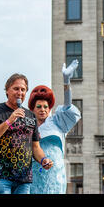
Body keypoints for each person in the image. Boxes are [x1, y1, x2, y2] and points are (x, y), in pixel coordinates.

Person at [0, 73, 53, 194]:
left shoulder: (31, 116)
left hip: (24, 179)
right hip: (0, 177)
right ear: (7, 90)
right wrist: (9, 121)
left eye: (23, 89)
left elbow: (35, 147)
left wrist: (44, 160)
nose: (19, 92)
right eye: (16, 88)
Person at [29, 60, 81, 194]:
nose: (43, 110)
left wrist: (66, 81)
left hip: (55, 174)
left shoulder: (57, 121)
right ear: (33, 109)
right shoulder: (28, 126)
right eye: (39, 107)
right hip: (34, 176)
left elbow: (68, 105)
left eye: (46, 107)